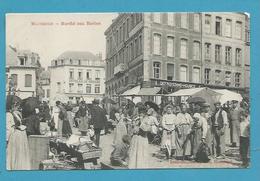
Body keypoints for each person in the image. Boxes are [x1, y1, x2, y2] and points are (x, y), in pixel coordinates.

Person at [6, 101, 31, 170]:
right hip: (14, 136)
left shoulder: (16, 113)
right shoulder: (8, 114)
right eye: (15, 105)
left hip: (19, 135)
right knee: (14, 154)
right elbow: (8, 128)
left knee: (19, 154)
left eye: (17, 106)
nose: (17, 107)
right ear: (11, 106)